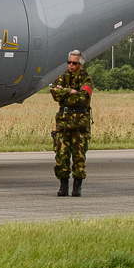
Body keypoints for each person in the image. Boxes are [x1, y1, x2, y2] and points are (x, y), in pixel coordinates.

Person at [49, 49, 92, 197]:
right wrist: (70, 91)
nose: (71, 65)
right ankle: (63, 185)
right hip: (63, 125)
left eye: (74, 63)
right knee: (61, 156)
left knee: (79, 157)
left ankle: (77, 186)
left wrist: (65, 94)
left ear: (80, 64)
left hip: (79, 126)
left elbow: (83, 98)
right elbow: (54, 92)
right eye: (69, 62)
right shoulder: (62, 78)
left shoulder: (86, 80)